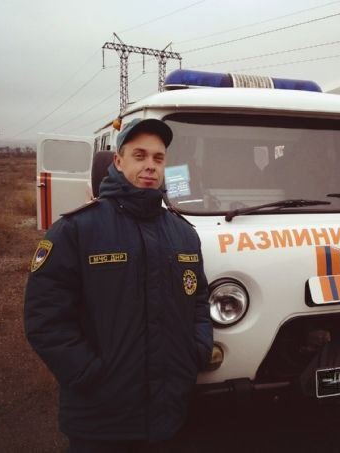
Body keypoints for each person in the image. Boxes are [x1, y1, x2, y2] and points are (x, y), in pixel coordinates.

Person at [24, 118, 213, 452]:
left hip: (169, 410)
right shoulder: (76, 230)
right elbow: (45, 318)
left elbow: (198, 298)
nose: (150, 166)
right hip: (100, 418)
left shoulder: (183, 234)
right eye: (139, 156)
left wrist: (196, 351)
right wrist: (88, 373)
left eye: (158, 158)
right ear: (118, 161)